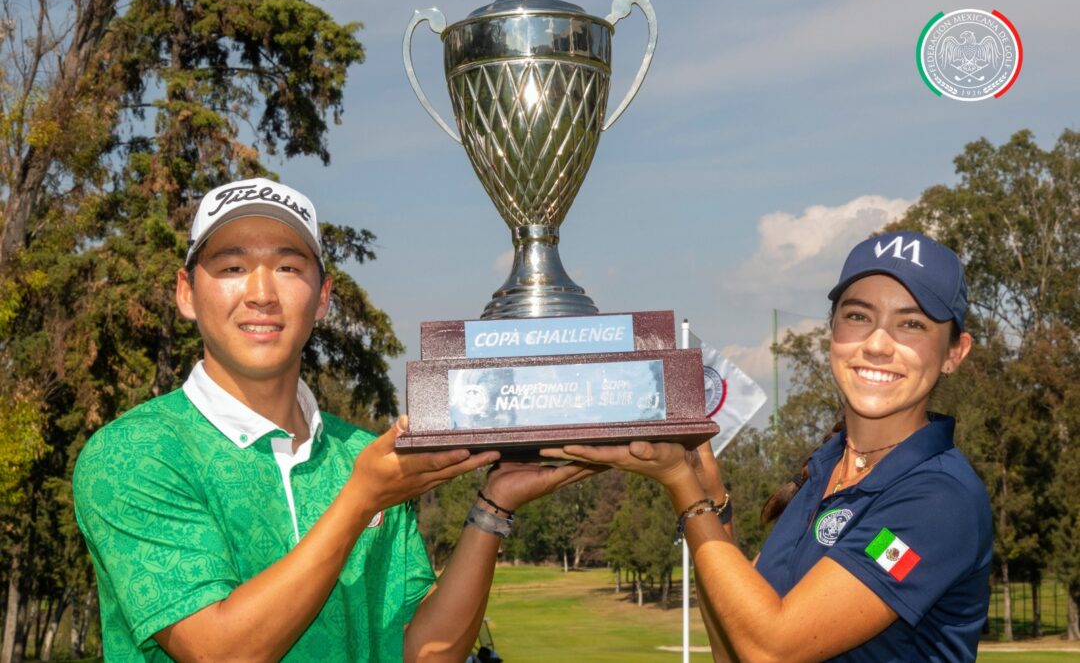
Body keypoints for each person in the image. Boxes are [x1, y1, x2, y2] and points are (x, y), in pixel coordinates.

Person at [73, 177, 599, 662]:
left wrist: (493, 505)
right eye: (232, 267)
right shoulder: (134, 453)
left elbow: (426, 652)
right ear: (186, 292)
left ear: (323, 297)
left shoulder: (361, 456)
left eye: (288, 267)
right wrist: (360, 500)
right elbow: (219, 651)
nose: (261, 293)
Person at [543, 231, 992, 662]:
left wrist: (683, 487)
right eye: (858, 316)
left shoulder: (939, 498)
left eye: (911, 324)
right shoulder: (826, 470)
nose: (877, 344)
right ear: (832, 330)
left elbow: (771, 648)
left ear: (955, 352)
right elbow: (736, 645)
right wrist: (713, 501)